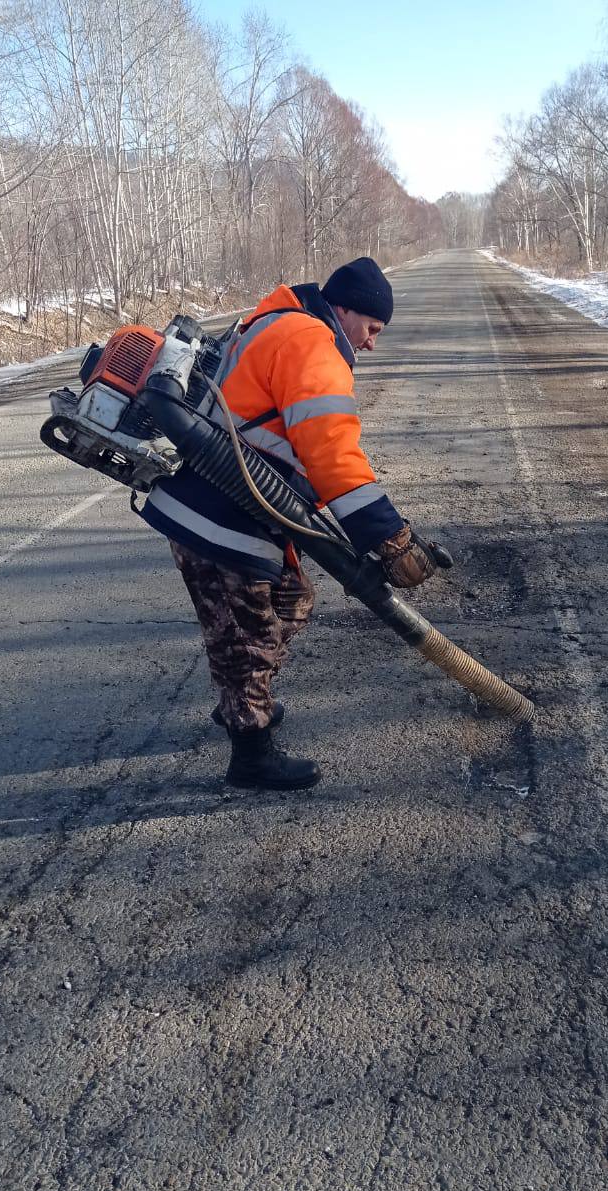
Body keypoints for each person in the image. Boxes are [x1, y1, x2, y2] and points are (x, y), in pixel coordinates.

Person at [138, 257, 437, 792]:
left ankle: (240, 698)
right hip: (219, 519)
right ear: (343, 309)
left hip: (239, 510)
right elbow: (331, 454)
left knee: (292, 601)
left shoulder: (276, 323)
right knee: (248, 638)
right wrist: (393, 539)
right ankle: (251, 754)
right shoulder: (311, 342)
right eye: (371, 330)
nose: (370, 345)